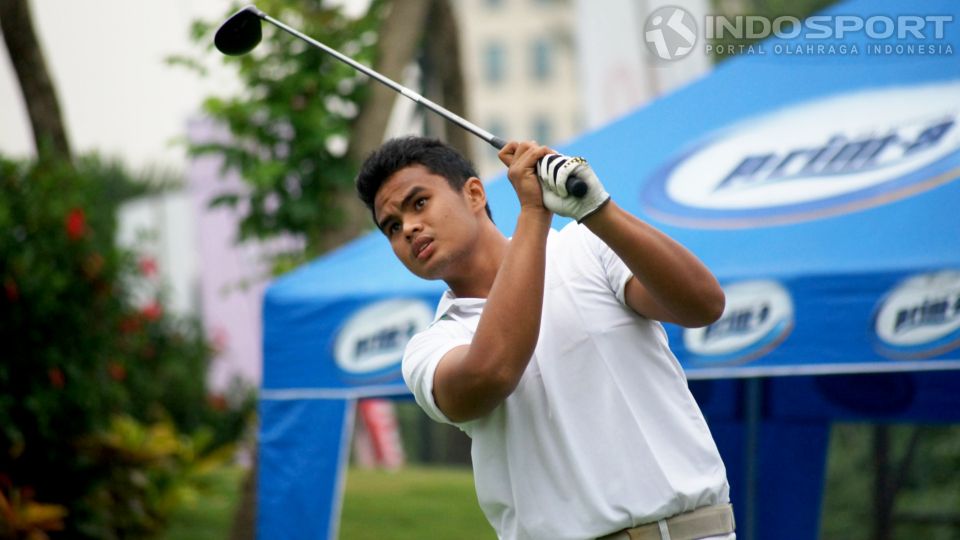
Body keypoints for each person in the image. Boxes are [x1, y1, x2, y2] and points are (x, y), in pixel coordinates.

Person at [355, 136, 734, 540]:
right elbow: (493, 372)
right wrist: (533, 214)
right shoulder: (428, 349)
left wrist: (597, 209)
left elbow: (702, 305)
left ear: (475, 194)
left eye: (419, 203)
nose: (409, 228)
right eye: (392, 227)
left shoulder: (586, 246)